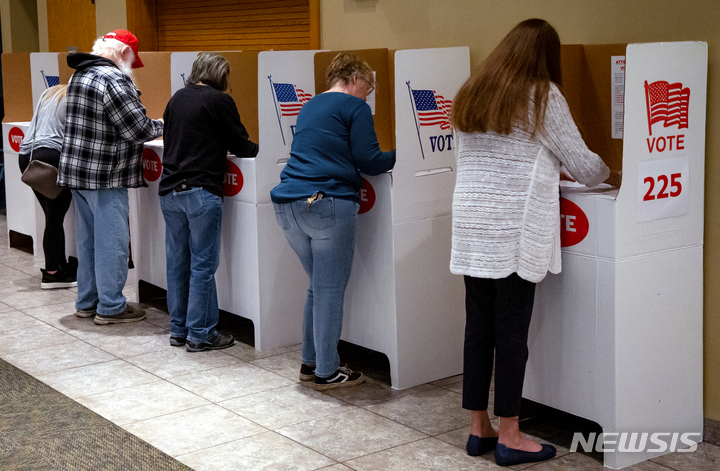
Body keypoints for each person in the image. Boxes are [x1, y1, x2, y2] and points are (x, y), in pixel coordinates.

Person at [449, 19, 620, 467]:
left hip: (471, 226)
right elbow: (585, 165)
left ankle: (477, 428)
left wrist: (541, 164)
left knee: (477, 329)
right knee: (510, 332)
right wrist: (612, 173)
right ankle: (510, 435)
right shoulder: (542, 93)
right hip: (512, 229)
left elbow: (484, 157)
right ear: (546, 55)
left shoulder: (472, 91)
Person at [271, 52, 395, 390]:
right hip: (325, 202)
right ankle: (327, 371)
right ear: (354, 78)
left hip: (289, 203)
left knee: (318, 287)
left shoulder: (311, 105)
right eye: (368, 86)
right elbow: (369, 160)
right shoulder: (355, 108)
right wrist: (404, 154)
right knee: (328, 291)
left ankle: (310, 364)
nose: (369, 93)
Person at [58, 29, 163, 324]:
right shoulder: (113, 78)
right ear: (124, 53)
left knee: (88, 242)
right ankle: (112, 307)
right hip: (106, 174)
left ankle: (87, 301)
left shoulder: (80, 74)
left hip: (77, 172)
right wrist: (161, 124)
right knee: (113, 242)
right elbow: (137, 129)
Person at [158, 52, 258, 352]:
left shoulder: (177, 98)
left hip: (169, 191)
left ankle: (178, 329)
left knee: (177, 262)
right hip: (201, 190)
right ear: (219, 76)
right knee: (202, 265)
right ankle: (200, 334)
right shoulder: (219, 101)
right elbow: (241, 144)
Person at [18, 85, 78, 289]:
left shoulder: (50, 92)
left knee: (52, 216)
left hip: (27, 156)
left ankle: (59, 266)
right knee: (54, 218)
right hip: (50, 157)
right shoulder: (75, 95)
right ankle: (52, 272)